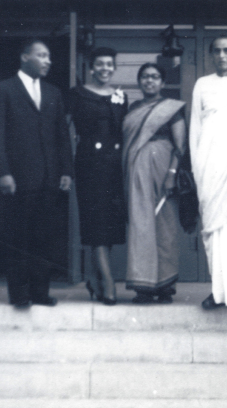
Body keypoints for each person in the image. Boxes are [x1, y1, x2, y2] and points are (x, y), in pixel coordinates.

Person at [0, 39, 73, 309]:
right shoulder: (3, 90)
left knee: (44, 238)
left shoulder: (53, 92)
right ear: (25, 57)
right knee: (18, 238)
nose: (48, 61)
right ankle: (20, 295)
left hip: (49, 179)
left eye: (49, 56)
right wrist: (2, 172)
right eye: (42, 55)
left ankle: (40, 291)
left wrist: (66, 170)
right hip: (17, 180)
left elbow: (62, 136)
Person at [123, 62, 187, 304]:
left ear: (162, 82)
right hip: (137, 171)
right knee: (141, 226)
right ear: (140, 82)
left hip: (163, 171)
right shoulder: (133, 108)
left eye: (155, 77)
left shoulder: (170, 109)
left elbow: (180, 145)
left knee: (165, 226)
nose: (150, 81)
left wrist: (171, 173)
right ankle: (144, 287)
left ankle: (165, 286)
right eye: (145, 77)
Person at [69, 47, 128, 305]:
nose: (105, 68)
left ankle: (95, 278)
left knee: (111, 223)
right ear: (91, 68)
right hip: (90, 165)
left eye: (110, 64)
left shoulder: (120, 96)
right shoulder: (77, 94)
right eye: (100, 64)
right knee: (96, 221)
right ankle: (109, 282)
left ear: (114, 68)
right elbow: (63, 129)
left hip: (115, 166)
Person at [190, 35, 227, 310]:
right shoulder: (202, 84)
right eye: (218, 51)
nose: (222, 55)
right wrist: (197, 168)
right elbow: (195, 130)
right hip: (209, 166)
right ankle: (218, 292)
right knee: (212, 229)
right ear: (211, 55)